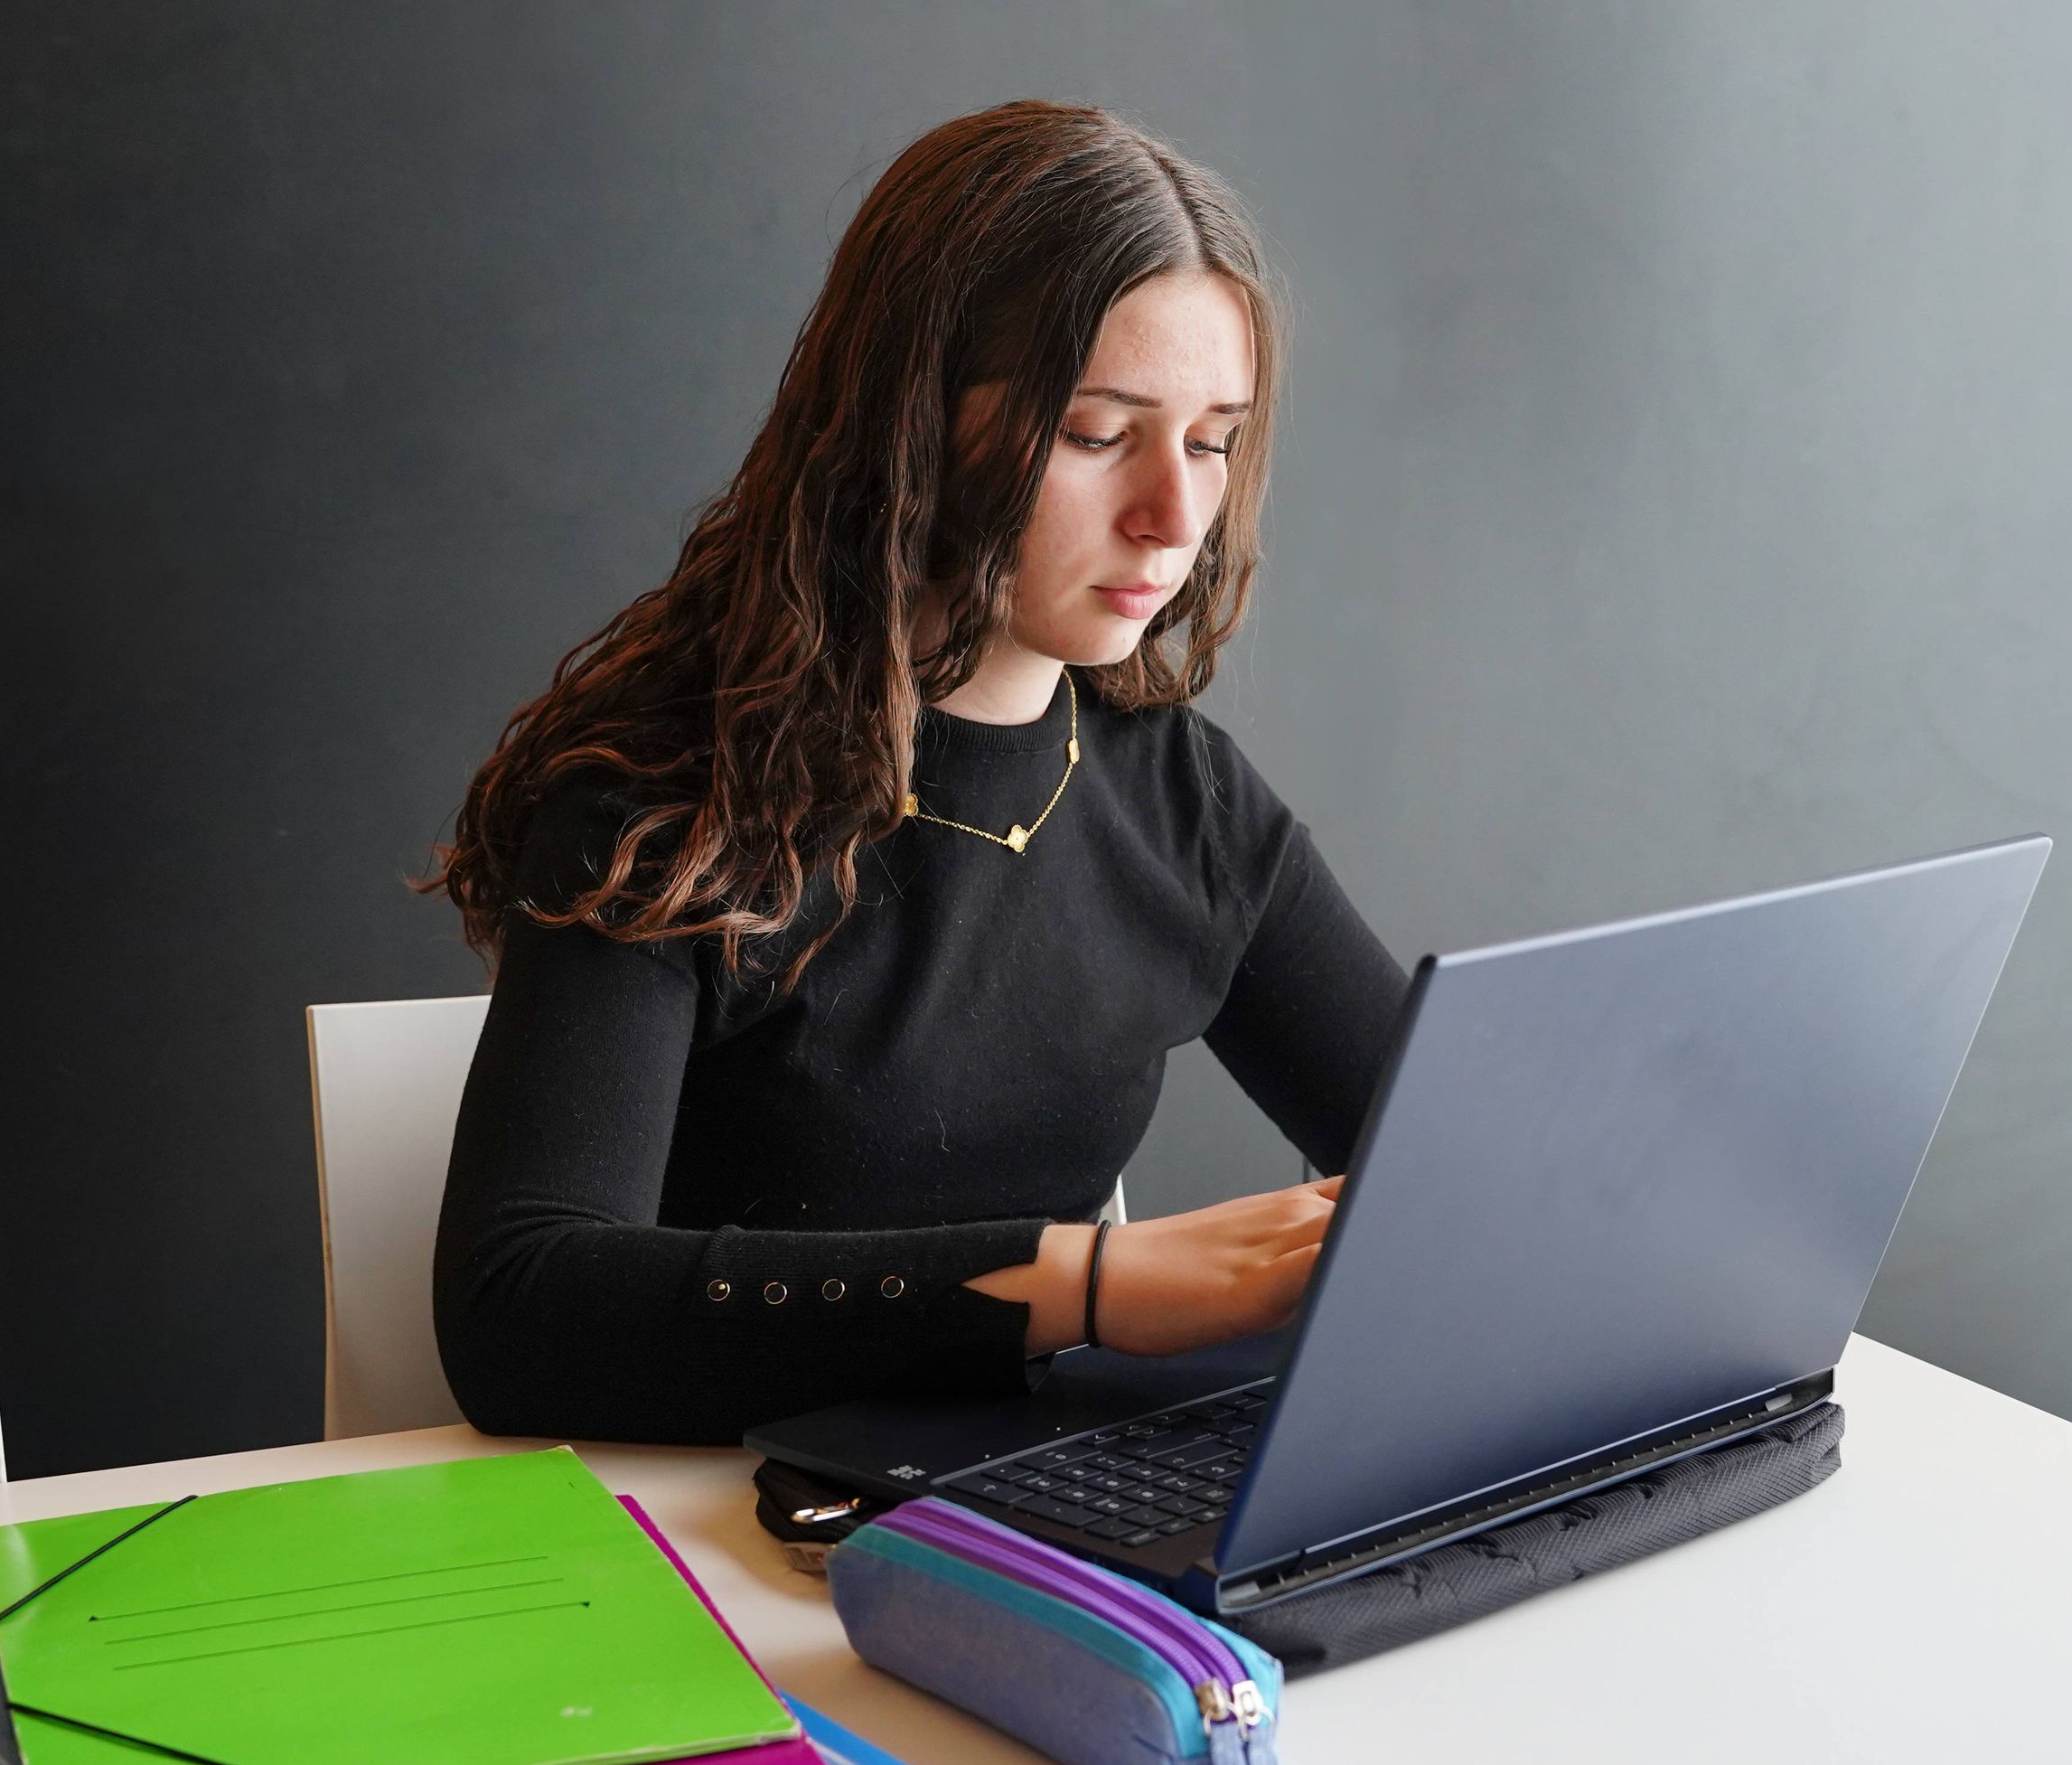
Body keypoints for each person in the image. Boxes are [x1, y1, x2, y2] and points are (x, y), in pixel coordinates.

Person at [428, 99, 1408, 1445]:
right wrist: (1084, 1285)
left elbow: (1448, 1164)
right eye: (1095, 433)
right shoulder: (666, 803)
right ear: (913, 421)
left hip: (1019, 1499)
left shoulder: (1188, 804)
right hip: (698, 1523)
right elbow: (520, 1318)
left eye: (1212, 441)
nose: (1174, 518)